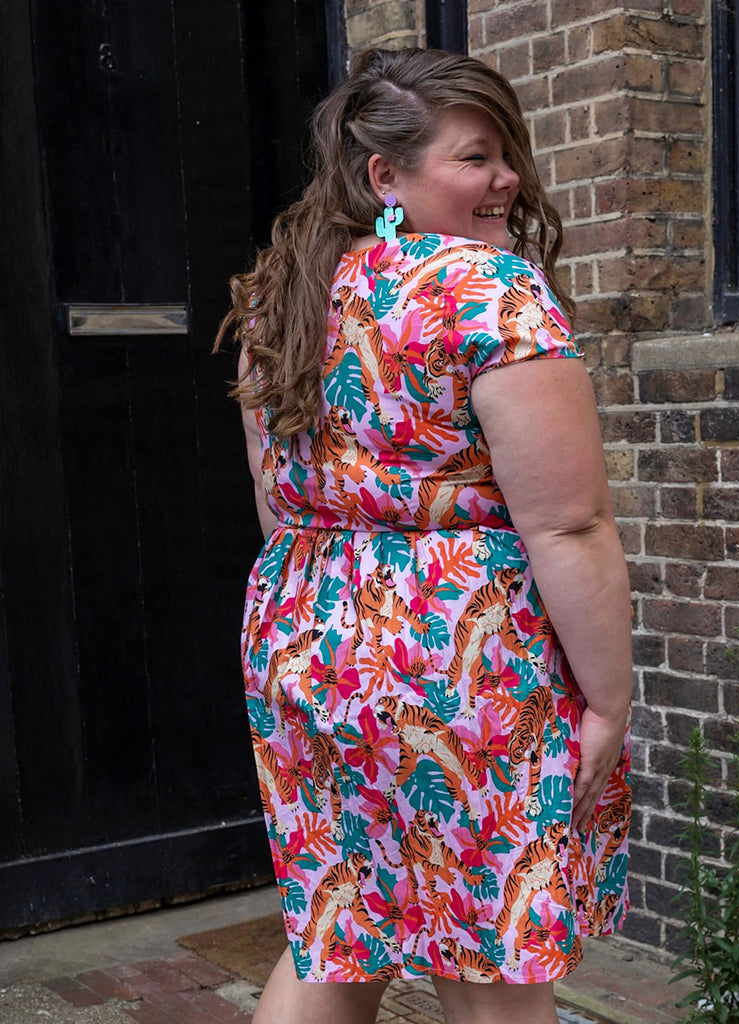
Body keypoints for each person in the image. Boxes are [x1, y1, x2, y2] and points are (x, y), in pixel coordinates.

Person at [216, 47, 632, 1024]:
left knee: (335, 930)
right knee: (491, 957)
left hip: (307, 644)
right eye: (477, 157)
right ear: (385, 176)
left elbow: (279, 505)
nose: (507, 180)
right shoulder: (490, 292)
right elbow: (567, 522)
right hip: (461, 657)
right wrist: (607, 699)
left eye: (507, 154)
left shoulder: (283, 295)